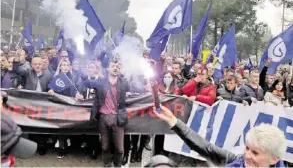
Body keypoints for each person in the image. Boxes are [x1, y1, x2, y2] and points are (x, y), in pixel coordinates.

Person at [153, 105, 287, 167]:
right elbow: (204, 147)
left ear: (274, 159)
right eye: (247, 148)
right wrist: (174, 122)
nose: (247, 155)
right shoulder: (235, 161)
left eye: (255, 153)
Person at [88, 59, 129, 167]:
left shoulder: (124, 82)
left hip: (117, 118)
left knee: (120, 149)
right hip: (103, 117)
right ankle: (106, 165)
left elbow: (134, 90)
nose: (115, 68)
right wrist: (93, 115)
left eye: (117, 66)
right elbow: (96, 100)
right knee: (105, 146)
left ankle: (117, 165)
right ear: (108, 68)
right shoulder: (101, 82)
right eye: (113, 66)